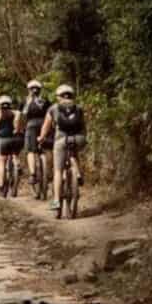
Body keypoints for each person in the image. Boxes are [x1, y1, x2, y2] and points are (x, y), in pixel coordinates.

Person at [38, 84, 86, 213]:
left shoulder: (53, 108)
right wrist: (83, 139)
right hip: (78, 139)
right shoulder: (79, 108)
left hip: (61, 141)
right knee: (74, 155)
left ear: (59, 96)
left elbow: (46, 126)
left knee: (58, 170)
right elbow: (83, 126)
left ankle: (57, 201)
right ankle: (78, 173)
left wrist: (41, 137)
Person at [0, 94, 24, 196]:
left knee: (2, 161)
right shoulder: (17, 112)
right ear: (10, 104)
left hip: (4, 140)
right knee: (15, 153)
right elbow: (18, 124)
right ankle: (17, 163)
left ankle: (1, 186)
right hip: (17, 139)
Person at [21, 80, 51, 185]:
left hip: (31, 126)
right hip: (45, 125)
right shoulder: (45, 100)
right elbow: (50, 114)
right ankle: (49, 172)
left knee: (30, 151)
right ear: (40, 90)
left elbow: (22, 115)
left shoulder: (25, 101)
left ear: (29, 90)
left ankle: (33, 175)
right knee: (46, 148)